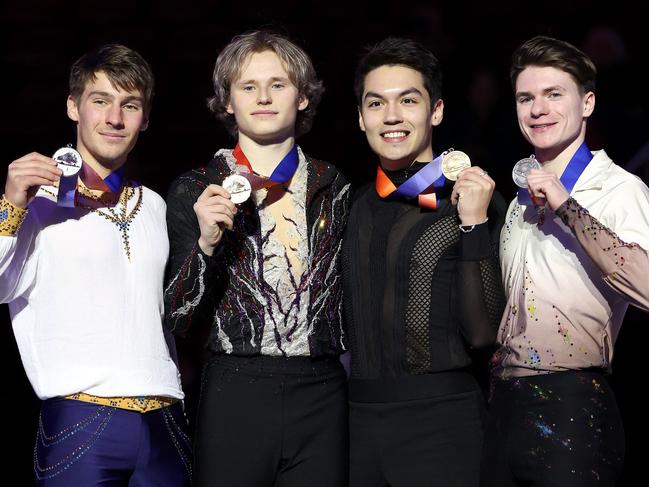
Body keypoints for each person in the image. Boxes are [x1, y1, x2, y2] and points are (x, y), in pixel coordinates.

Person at [164, 30, 351, 487]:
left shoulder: (334, 185)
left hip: (322, 391)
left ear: (303, 97)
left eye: (278, 85)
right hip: (235, 389)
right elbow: (177, 319)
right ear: (227, 102)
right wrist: (207, 245)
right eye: (248, 87)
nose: (263, 97)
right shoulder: (196, 189)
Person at [0, 44, 190, 486]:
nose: (114, 118)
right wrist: (10, 205)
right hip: (82, 419)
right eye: (100, 101)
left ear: (145, 118)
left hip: (166, 418)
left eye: (130, 105)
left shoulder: (156, 205)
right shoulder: (35, 198)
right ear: (73, 106)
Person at [482, 35, 649, 487]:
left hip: (573, 402)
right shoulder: (517, 197)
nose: (538, 109)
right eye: (526, 98)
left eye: (554, 94)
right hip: (504, 402)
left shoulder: (618, 188)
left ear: (587, 103)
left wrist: (567, 207)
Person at [342, 37, 505, 487]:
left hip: (444, 424)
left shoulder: (472, 201)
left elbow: (484, 332)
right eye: (376, 104)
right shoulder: (348, 207)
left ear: (435, 111)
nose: (391, 116)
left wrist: (472, 224)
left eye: (408, 101)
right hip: (355, 428)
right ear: (361, 117)